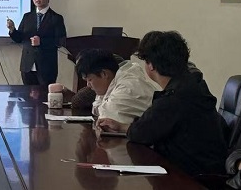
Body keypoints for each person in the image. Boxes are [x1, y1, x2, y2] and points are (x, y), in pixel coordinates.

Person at [97, 31, 227, 176]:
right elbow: (149, 127)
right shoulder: (191, 83)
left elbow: (142, 133)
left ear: (151, 65)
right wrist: (121, 127)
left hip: (192, 176)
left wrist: (125, 128)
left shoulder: (175, 97)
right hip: (202, 167)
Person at [75, 49, 160, 125]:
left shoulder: (127, 87)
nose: (88, 85)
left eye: (89, 80)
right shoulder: (113, 83)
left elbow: (107, 119)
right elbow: (97, 107)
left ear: (104, 74)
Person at [7, 0, 67, 86]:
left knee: (44, 94)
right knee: (26, 94)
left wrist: (41, 42)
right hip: (27, 66)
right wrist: (12, 29)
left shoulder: (56, 18)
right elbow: (19, 38)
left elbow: (60, 41)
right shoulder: (27, 17)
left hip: (47, 66)